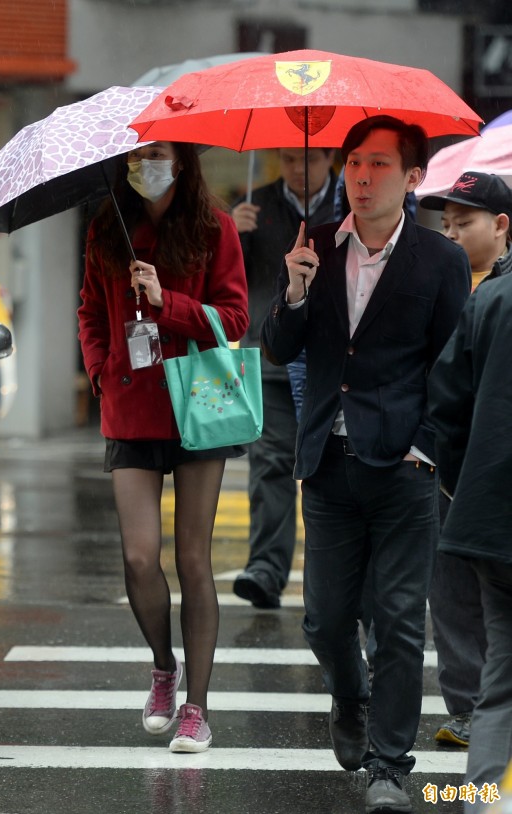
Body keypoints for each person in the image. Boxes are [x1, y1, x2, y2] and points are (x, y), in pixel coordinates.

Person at [260, 115, 471, 813]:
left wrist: (427, 450)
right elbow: (278, 350)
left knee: (401, 617)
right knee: (324, 620)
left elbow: (454, 366)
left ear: (413, 179)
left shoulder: (439, 261)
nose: (361, 177)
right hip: (328, 460)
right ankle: (349, 697)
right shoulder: (314, 244)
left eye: (379, 165)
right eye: (353, 163)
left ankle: (388, 763)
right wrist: (293, 292)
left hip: (404, 467)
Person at [77, 140, 249, 753]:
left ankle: (198, 707)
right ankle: (162, 667)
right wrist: (99, 367)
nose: (144, 165)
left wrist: (165, 303)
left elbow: (233, 318)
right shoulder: (106, 227)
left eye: (157, 154)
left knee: (192, 560)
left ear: (182, 163)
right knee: (140, 557)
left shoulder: (213, 227)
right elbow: (91, 311)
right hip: (129, 407)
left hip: (196, 404)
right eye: (135, 155)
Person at [420, 170, 512, 748]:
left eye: (464, 223)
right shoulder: (435, 278)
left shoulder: (496, 292)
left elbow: (449, 392)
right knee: (450, 591)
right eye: (446, 224)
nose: (451, 234)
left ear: (502, 226)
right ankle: (469, 708)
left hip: (473, 465)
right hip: (448, 466)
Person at [231, 146, 337, 608]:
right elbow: (230, 278)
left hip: (330, 361)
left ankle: (333, 575)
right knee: (271, 462)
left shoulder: (351, 206)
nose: (298, 168)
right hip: (271, 352)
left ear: (330, 158)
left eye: (308, 159)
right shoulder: (256, 205)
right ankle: (267, 569)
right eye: (288, 159)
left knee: (331, 466)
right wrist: (235, 236)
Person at [427, 271, 512, 812]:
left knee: (500, 683)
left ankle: (484, 803)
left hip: (491, 518)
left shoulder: (492, 297)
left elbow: (446, 403)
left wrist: (464, 487)